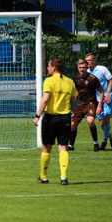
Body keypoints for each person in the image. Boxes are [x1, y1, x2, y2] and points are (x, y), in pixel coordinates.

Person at [33, 57, 77, 185]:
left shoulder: (49, 81)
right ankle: (63, 177)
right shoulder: (69, 82)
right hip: (65, 118)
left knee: (46, 148)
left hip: (51, 117)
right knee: (63, 147)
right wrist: (70, 108)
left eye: (48, 66)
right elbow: (75, 96)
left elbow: (45, 99)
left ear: (54, 68)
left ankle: (43, 177)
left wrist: (37, 115)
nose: (47, 68)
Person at [68, 59, 104, 152]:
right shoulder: (76, 78)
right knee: (73, 125)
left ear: (87, 67)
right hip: (81, 103)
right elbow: (76, 93)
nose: (82, 69)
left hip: (91, 103)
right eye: (80, 67)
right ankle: (71, 145)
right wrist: (71, 107)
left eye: (84, 67)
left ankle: (96, 143)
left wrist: (99, 106)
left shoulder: (93, 78)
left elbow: (101, 92)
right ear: (77, 68)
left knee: (90, 121)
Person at [86, 53, 112, 150]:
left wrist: (108, 94)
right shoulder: (86, 72)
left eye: (89, 61)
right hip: (96, 101)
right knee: (102, 123)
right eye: (86, 61)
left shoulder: (102, 69)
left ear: (94, 61)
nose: (88, 63)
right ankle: (110, 136)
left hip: (107, 99)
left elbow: (111, 80)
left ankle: (104, 141)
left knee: (106, 119)